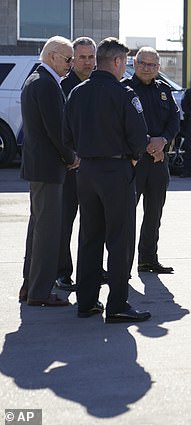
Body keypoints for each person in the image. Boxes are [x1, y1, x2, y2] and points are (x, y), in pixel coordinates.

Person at [63, 37, 151, 322]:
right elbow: (139, 138)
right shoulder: (124, 94)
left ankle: (87, 302)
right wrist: (133, 159)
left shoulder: (76, 92)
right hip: (116, 171)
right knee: (119, 239)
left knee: (89, 237)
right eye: (124, 62)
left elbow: (67, 137)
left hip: (85, 171)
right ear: (115, 62)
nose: (125, 67)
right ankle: (117, 305)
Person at [20, 36, 78, 307]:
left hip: (40, 167)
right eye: (68, 59)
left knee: (39, 229)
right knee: (47, 232)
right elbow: (56, 130)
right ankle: (40, 291)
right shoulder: (46, 83)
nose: (71, 64)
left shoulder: (37, 79)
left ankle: (30, 286)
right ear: (53, 56)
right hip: (48, 167)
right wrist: (71, 157)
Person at [122, 47, 180, 274]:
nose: (147, 68)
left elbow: (174, 120)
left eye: (152, 65)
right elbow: (122, 124)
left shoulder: (164, 90)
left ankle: (148, 259)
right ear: (134, 64)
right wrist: (147, 143)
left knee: (154, 212)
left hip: (158, 161)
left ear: (158, 67)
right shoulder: (124, 89)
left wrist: (163, 141)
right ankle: (122, 263)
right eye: (143, 64)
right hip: (133, 161)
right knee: (126, 214)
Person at [55, 36, 97, 292]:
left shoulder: (99, 84)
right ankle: (62, 272)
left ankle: (91, 270)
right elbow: (58, 129)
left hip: (96, 166)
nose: (87, 62)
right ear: (72, 59)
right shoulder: (63, 86)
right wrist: (70, 157)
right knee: (65, 221)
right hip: (70, 166)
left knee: (94, 223)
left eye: (91, 57)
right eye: (81, 57)